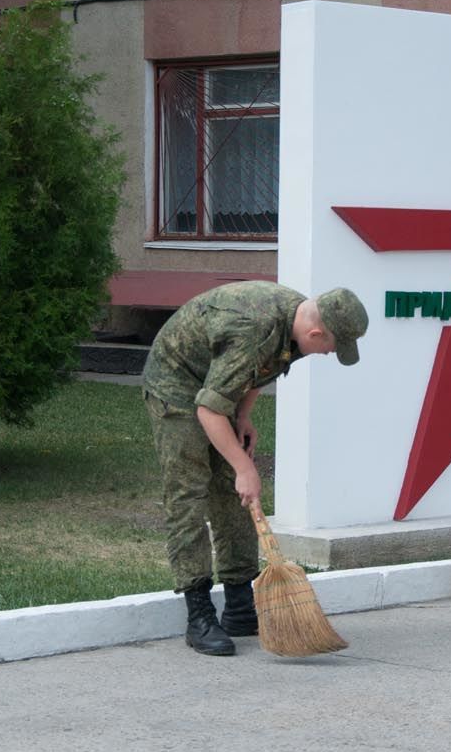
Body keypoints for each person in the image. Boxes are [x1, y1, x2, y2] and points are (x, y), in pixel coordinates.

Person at [142, 281, 368, 656]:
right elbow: (209, 409)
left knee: (233, 496)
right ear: (316, 332)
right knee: (189, 493)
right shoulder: (256, 328)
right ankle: (198, 614)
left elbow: (256, 370)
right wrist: (245, 467)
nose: (329, 354)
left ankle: (239, 605)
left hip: (216, 389)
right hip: (177, 386)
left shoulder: (293, 324)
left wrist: (243, 414)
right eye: (330, 346)